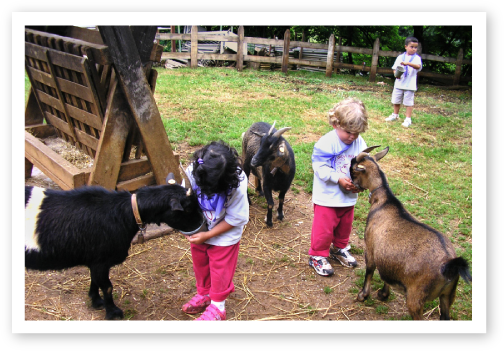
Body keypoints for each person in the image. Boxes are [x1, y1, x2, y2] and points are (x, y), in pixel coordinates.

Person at [182, 140, 249, 320]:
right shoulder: (192, 172)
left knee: (220, 269)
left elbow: (237, 218)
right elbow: (185, 197)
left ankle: (218, 306)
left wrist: (209, 234)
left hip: (225, 234)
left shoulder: (238, 183)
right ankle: (205, 294)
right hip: (201, 228)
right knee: (200, 262)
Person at [309, 97, 369, 276]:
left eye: (356, 133)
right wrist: (338, 178)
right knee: (324, 228)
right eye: (348, 132)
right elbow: (319, 166)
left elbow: (363, 165)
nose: (352, 137)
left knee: (345, 225)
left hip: (348, 197)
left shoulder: (360, 143)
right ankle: (317, 255)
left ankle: (340, 248)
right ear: (336, 124)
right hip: (328, 197)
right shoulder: (326, 143)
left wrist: (361, 184)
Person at [385, 36, 423, 127]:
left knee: (408, 102)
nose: (414, 49)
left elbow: (418, 66)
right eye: (411, 47)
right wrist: (396, 74)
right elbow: (395, 68)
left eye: (415, 47)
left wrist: (408, 63)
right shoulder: (400, 57)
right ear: (406, 46)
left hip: (410, 85)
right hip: (399, 83)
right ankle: (395, 115)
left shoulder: (417, 58)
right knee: (396, 100)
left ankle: (408, 119)